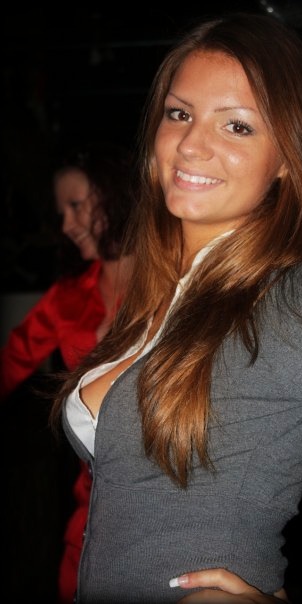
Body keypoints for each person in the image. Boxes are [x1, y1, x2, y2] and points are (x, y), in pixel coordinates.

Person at [50, 11, 302, 604]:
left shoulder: (298, 299)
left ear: (289, 157)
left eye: (237, 126)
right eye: (179, 113)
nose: (191, 144)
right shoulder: (164, 294)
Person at [0, 140, 133, 603]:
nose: (66, 225)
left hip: (174, 500)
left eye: (76, 206)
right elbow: (11, 361)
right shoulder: (68, 297)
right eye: (62, 213)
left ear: (114, 193)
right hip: (93, 502)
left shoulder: (177, 281)